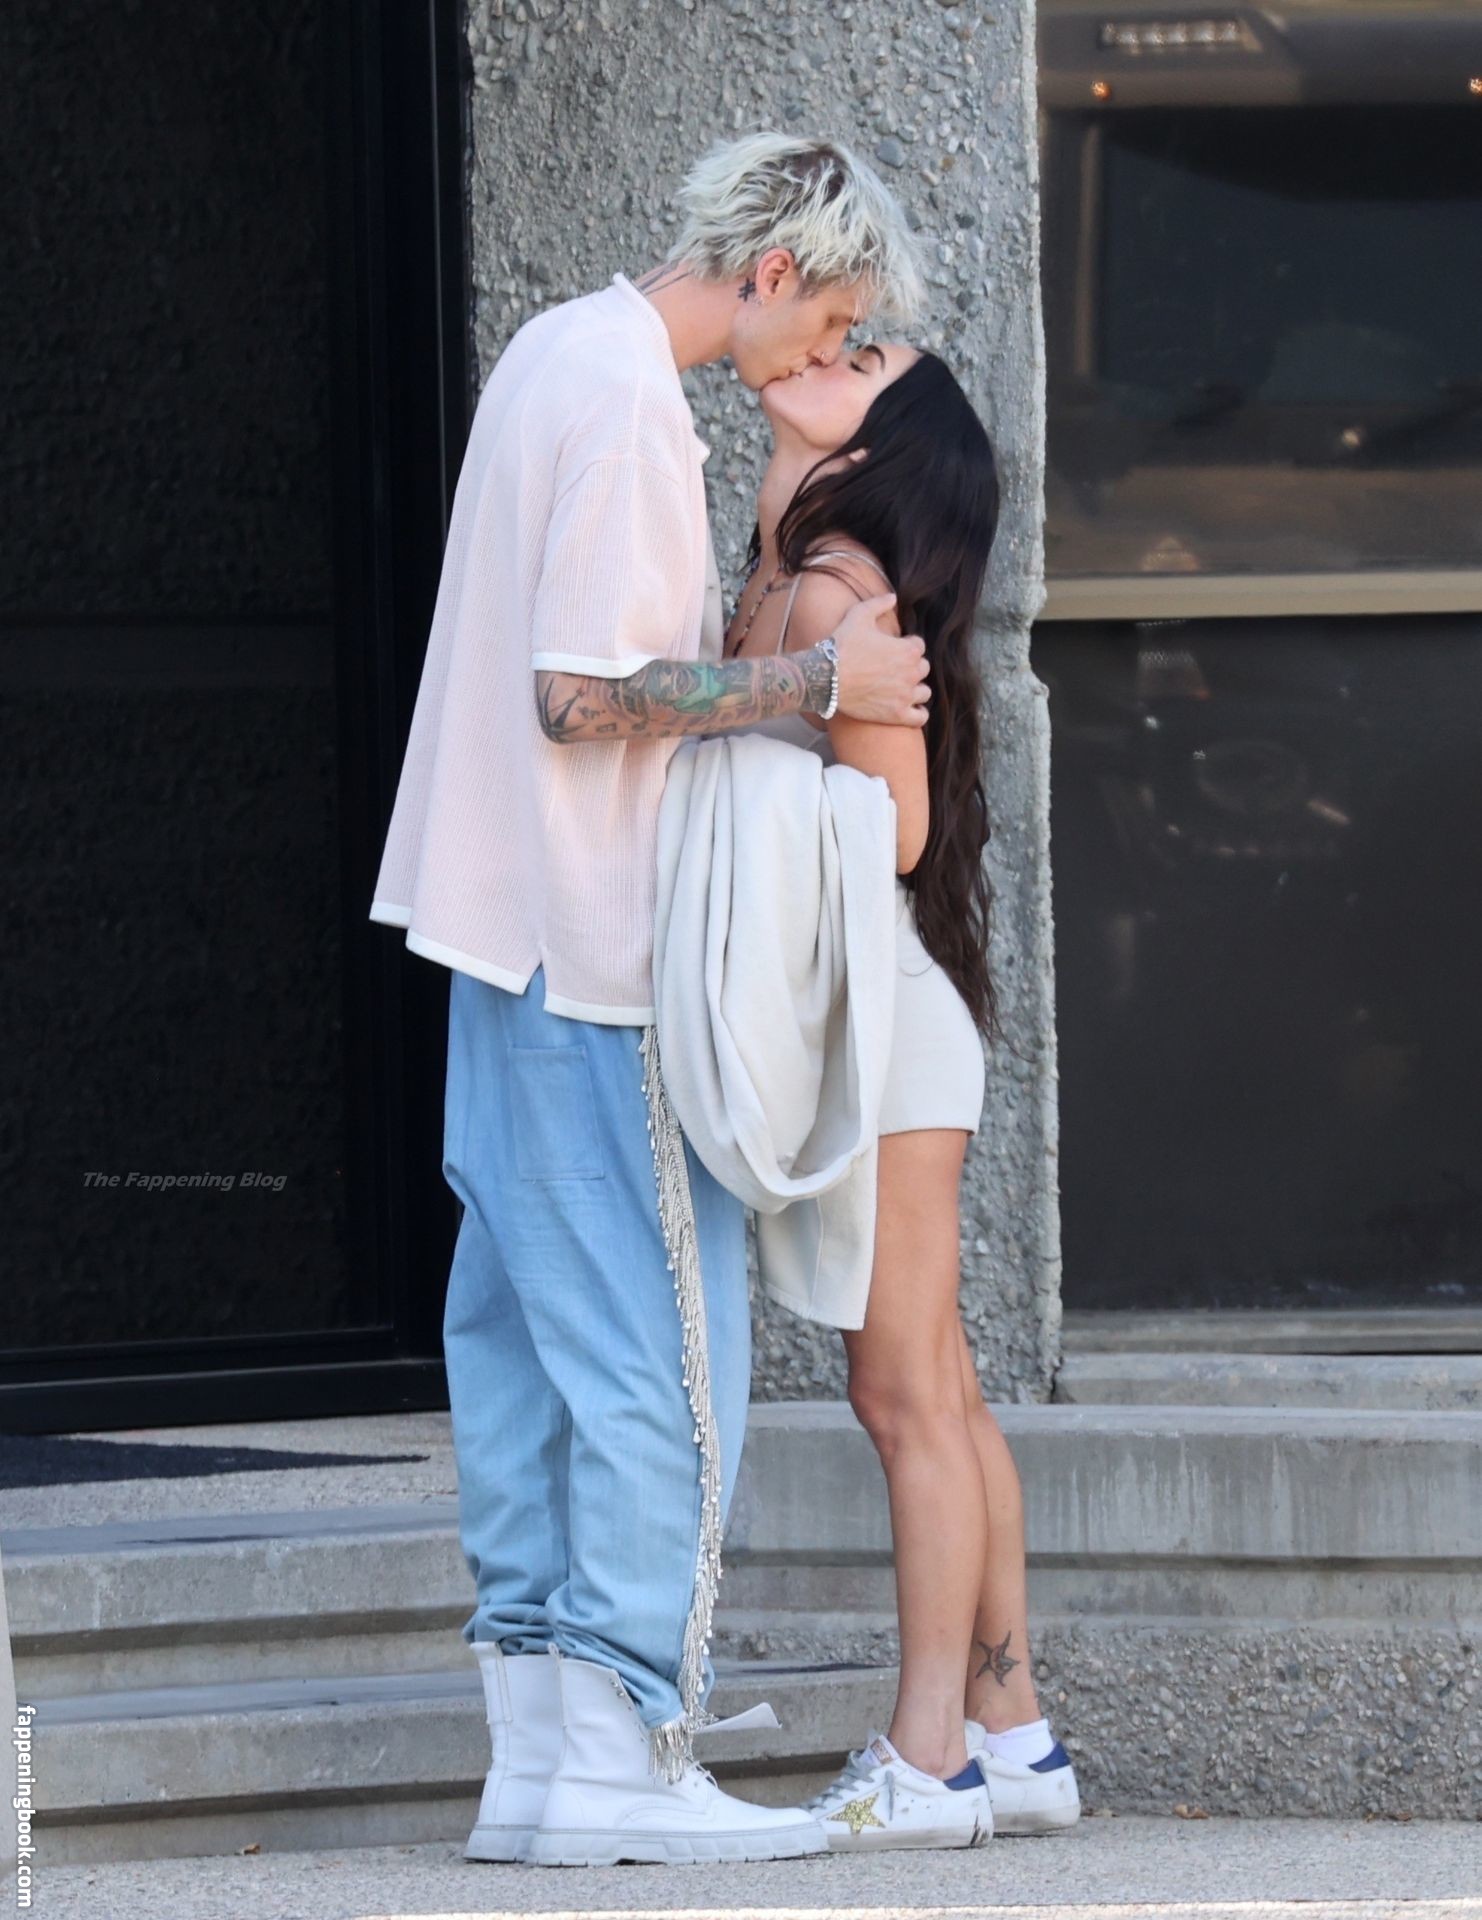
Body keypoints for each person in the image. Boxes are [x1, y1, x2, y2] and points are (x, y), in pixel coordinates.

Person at [368, 132, 929, 1869]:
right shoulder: (626, 401)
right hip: (595, 952)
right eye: (825, 318)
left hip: (496, 933)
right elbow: (581, 694)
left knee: (526, 1362)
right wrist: (817, 675)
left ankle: (542, 1765)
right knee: (662, 1371)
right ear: (770, 270)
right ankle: (627, 1754)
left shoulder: (556, 347)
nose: (820, 355)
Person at [724, 340, 1081, 1850]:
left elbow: (899, 828)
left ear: (883, 444)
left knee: (903, 1396)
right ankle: (1014, 1732)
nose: (820, 349)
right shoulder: (801, 573)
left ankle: (925, 1754)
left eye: (859, 358)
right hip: (885, 1017)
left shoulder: (837, 596)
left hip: (883, 1025)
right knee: (941, 1387)